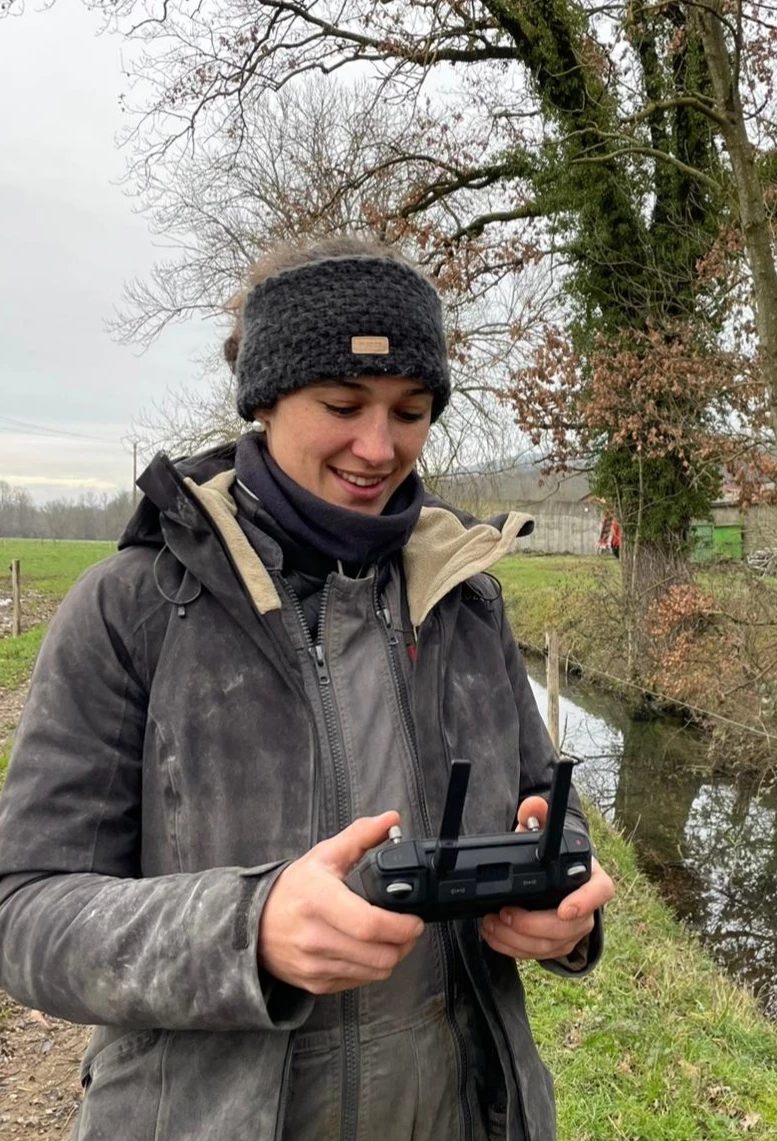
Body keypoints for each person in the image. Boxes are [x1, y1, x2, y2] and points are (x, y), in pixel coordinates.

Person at [0, 236, 614, 1141]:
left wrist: (564, 906)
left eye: (410, 410)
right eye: (342, 403)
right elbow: (26, 913)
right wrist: (246, 930)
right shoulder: (128, 610)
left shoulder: (467, 604)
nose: (380, 445)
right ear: (264, 398)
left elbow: (545, 813)